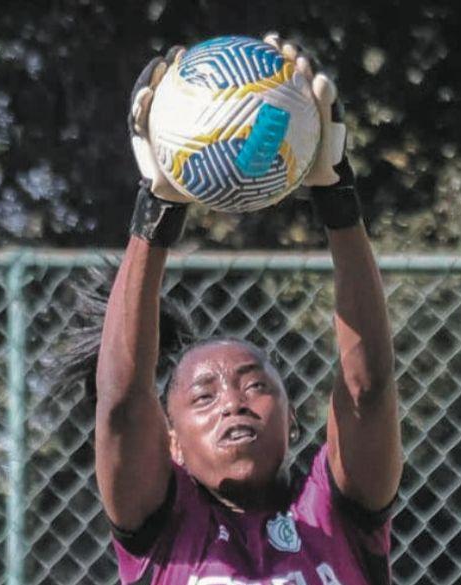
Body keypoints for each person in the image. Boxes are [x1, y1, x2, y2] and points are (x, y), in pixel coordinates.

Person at [59, 35, 401, 585]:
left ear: (292, 421)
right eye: (203, 396)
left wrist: (336, 192)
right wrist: (159, 204)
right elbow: (122, 403)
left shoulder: (335, 513)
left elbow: (370, 388)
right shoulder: (164, 529)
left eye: (255, 385)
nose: (233, 404)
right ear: (171, 442)